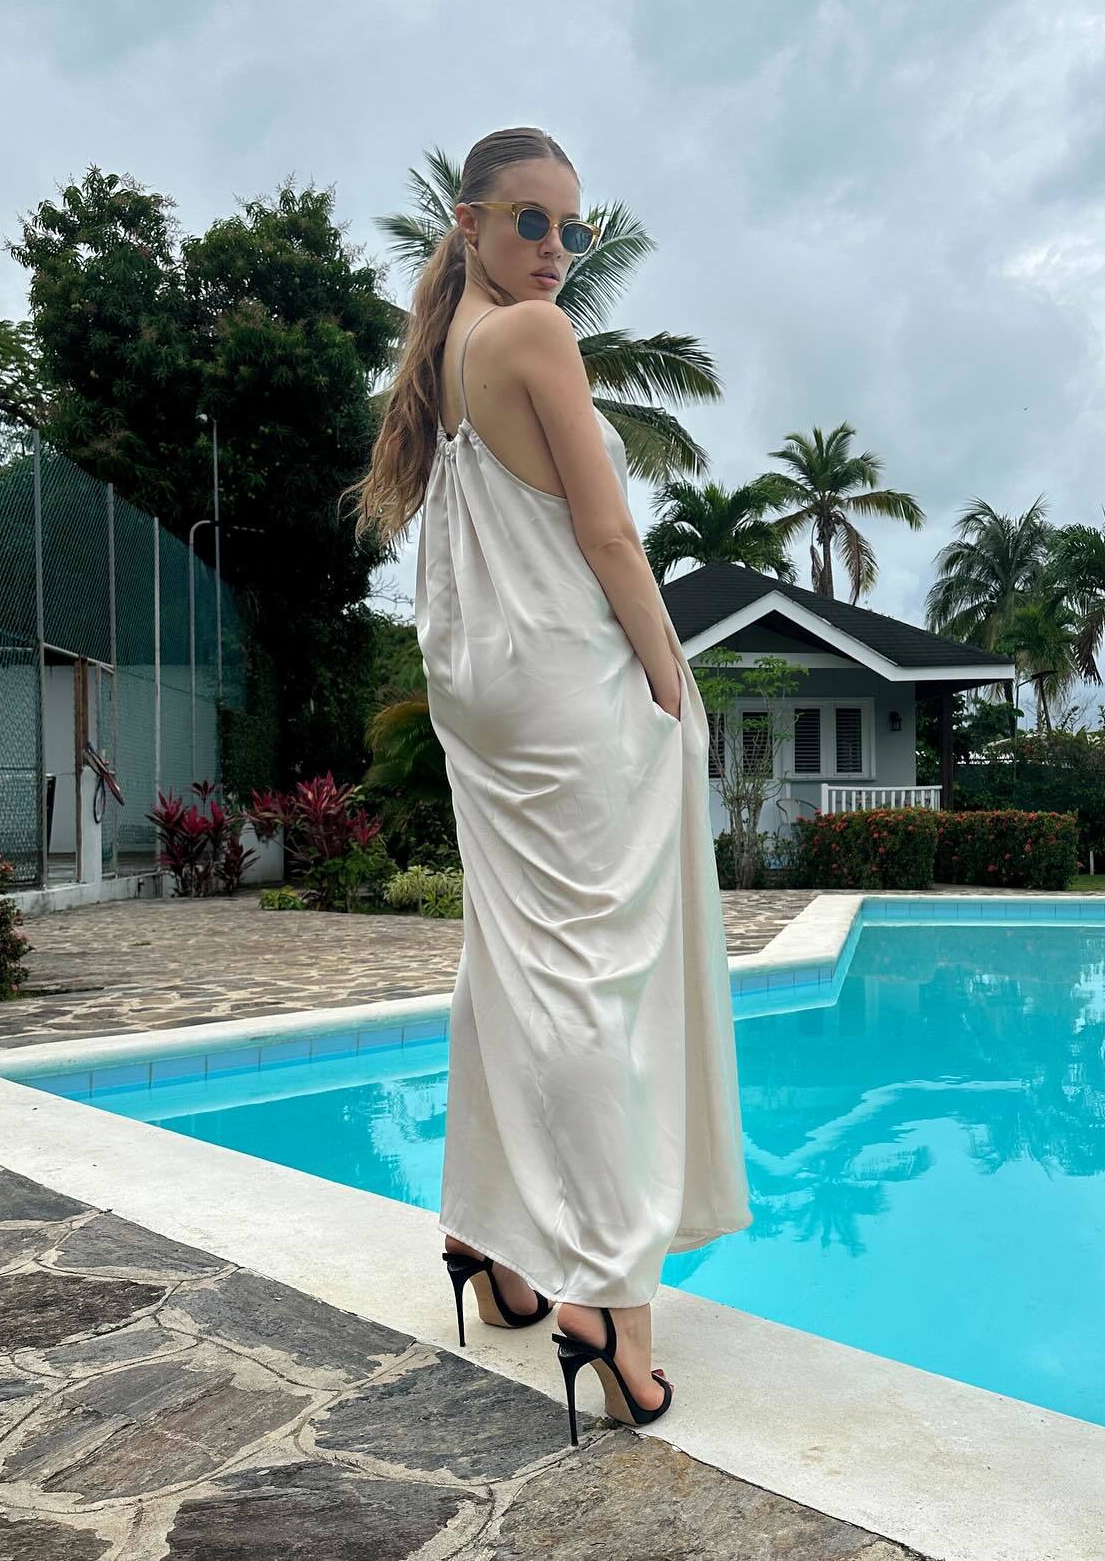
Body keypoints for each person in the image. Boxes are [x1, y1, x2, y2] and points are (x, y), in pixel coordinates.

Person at [349, 126, 751, 1443]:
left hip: (485, 690)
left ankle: (487, 1235)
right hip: (563, 684)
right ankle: (607, 1301)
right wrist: (671, 678)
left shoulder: (446, 352)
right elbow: (607, 532)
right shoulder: (532, 337)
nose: (556, 250)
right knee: (592, 977)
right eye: (531, 221)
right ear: (468, 222)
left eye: (570, 229)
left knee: (512, 954)